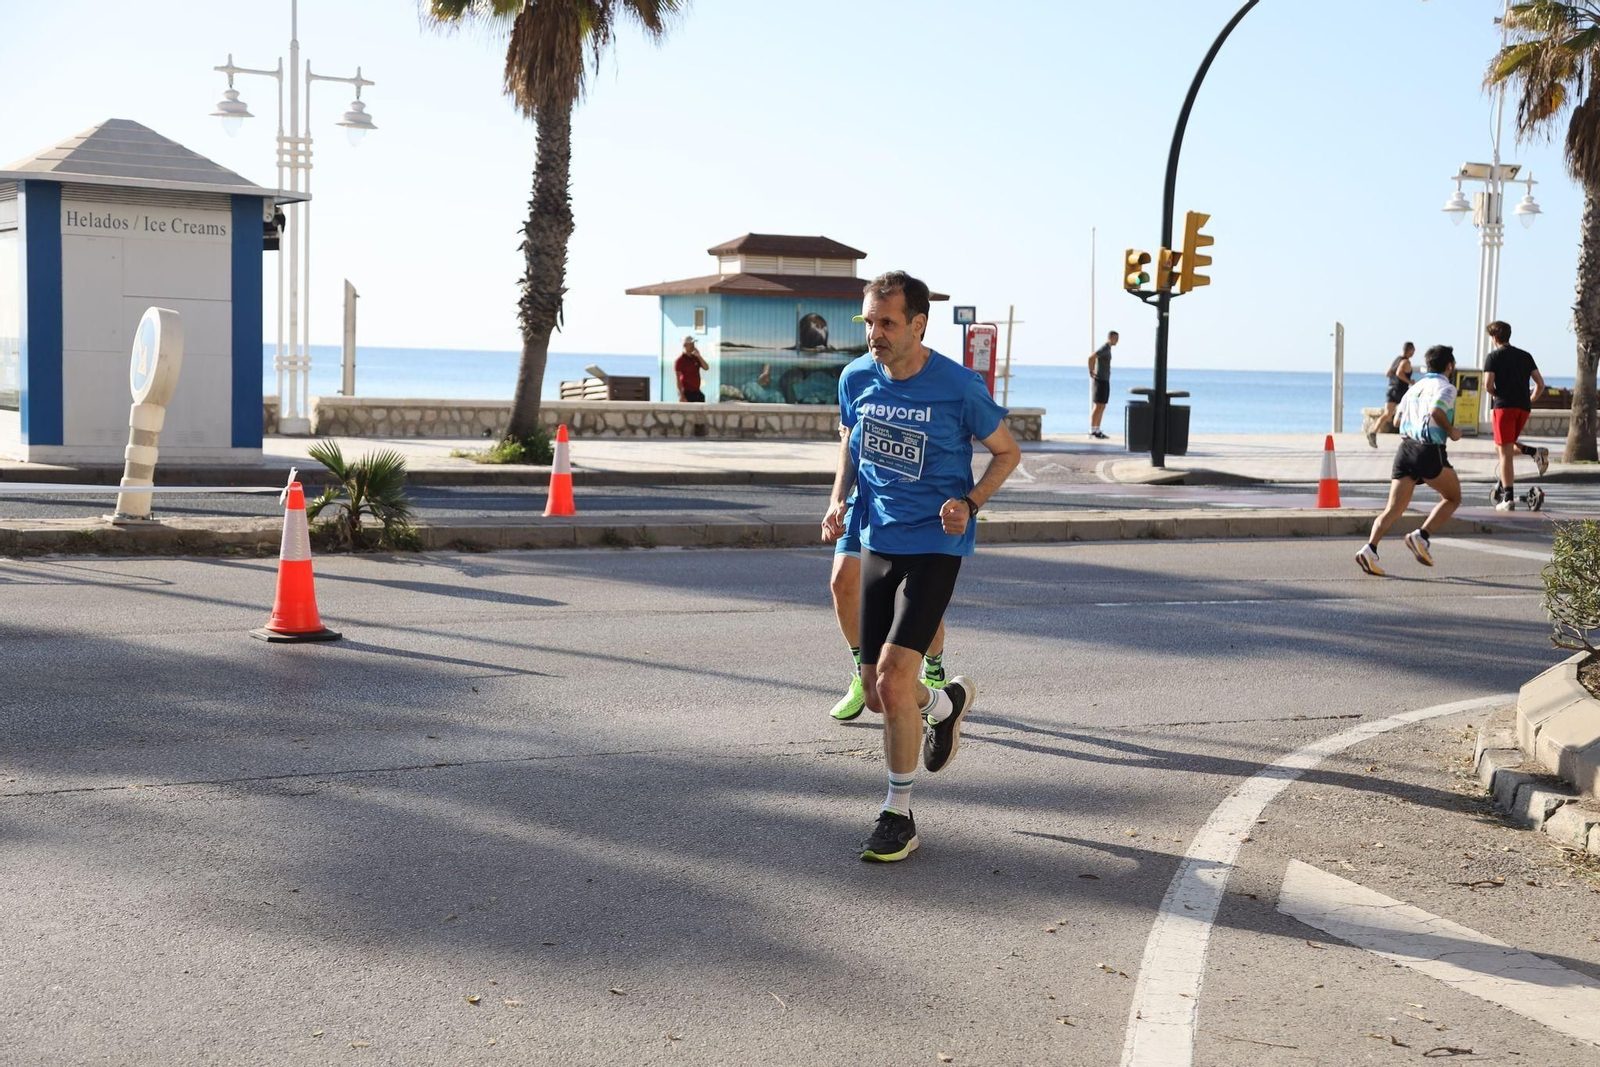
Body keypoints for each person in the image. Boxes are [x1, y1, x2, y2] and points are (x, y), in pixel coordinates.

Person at [822, 270, 1021, 863]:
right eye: (868, 322)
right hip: (878, 537)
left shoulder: (957, 387)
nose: (874, 334)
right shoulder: (855, 378)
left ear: (917, 324)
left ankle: (897, 812)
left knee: (892, 677)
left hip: (937, 545)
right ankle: (946, 706)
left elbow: (1007, 452)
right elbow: (851, 443)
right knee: (882, 695)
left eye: (886, 323)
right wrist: (838, 498)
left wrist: (970, 502)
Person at [826, 441, 949, 723]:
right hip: (866, 498)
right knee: (841, 581)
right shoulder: (853, 393)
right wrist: (838, 498)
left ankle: (934, 672)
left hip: (914, 503)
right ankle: (862, 675)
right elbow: (849, 438)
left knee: (914, 596)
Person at [1356, 344, 1463, 577]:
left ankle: (1369, 549)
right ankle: (1421, 536)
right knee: (1453, 497)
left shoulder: (1415, 388)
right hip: (1428, 449)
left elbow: (1395, 422)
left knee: (1393, 508)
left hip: (1404, 450)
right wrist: (1452, 431)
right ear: (1449, 366)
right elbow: (1437, 412)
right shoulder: (1445, 387)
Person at [1482, 320, 1550, 511]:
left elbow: (1488, 386)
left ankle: (1508, 499)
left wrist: (1500, 395)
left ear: (1495, 338)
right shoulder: (1525, 356)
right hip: (1523, 407)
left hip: (1504, 407)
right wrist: (1530, 399)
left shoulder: (1493, 357)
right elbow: (1540, 384)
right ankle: (1534, 452)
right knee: (1503, 446)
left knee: (1504, 453)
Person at [1369, 342, 1415, 446]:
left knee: (1387, 414)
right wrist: (1410, 382)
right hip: (1400, 390)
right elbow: (1399, 373)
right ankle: (1410, 434)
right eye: (1413, 350)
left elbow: (1388, 373)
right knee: (1410, 411)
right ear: (1410, 350)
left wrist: (1395, 379)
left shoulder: (1396, 360)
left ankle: (1373, 432)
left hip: (1391, 389)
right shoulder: (1405, 362)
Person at [1088, 331, 1118, 439]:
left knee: (1103, 405)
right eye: (1115, 338)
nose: (1117, 341)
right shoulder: (1104, 348)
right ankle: (1092, 430)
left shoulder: (1108, 349)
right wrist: (1091, 371)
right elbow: (1091, 358)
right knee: (1097, 405)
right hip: (1100, 380)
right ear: (1110, 338)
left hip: (1105, 380)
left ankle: (1097, 429)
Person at [675, 336, 708, 402]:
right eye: (691, 344)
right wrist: (682, 395)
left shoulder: (695, 358)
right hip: (687, 393)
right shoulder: (680, 361)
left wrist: (699, 356)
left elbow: (706, 367)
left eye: (693, 344)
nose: (693, 345)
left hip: (697, 392)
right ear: (685, 345)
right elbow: (678, 379)